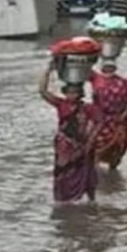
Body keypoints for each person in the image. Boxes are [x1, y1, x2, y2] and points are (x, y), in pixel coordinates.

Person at [39, 64, 99, 203]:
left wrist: (90, 141)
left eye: (75, 93)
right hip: (64, 146)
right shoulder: (61, 104)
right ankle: (62, 200)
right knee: (62, 173)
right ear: (65, 93)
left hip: (82, 145)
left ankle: (90, 201)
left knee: (85, 172)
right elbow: (42, 91)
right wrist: (47, 72)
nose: (71, 95)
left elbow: (99, 123)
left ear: (80, 94)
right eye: (69, 93)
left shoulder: (88, 108)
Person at [88, 60, 127, 171]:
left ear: (115, 68)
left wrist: (125, 114)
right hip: (101, 120)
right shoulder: (96, 79)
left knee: (119, 147)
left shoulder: (124, 82)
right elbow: (82, 69)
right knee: (97, 147)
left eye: (111, 67)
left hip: (119, 120)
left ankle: (113, 173)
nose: (108, 70)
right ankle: (94, 176)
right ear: (101, 68)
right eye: (106, 67)